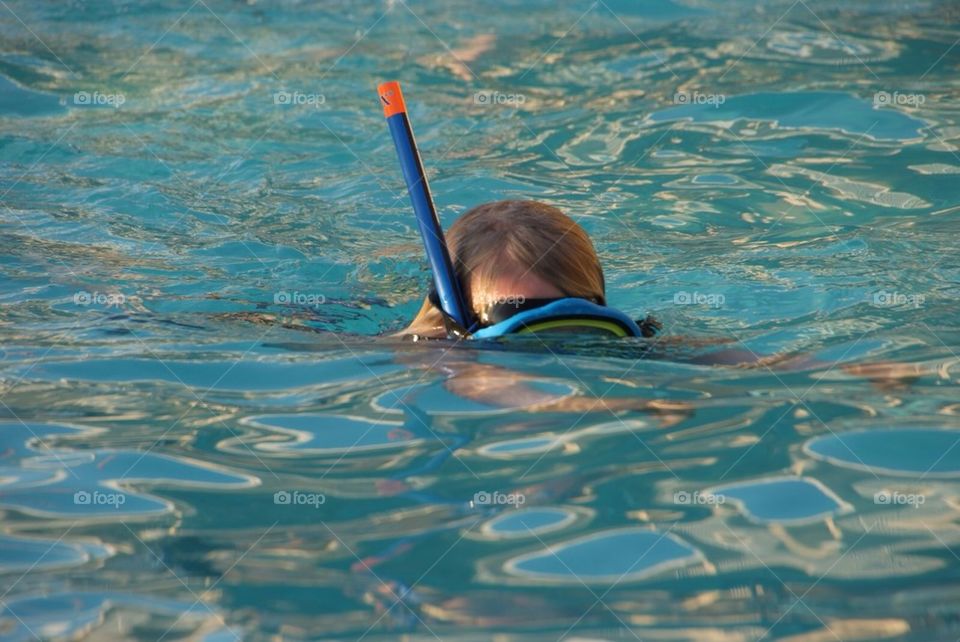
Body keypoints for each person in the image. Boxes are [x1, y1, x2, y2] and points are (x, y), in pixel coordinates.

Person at [399, 199, 660, 340]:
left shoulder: (629, 344)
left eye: (577, 331)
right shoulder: (430, 355)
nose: (556, 355)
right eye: (524, 337)